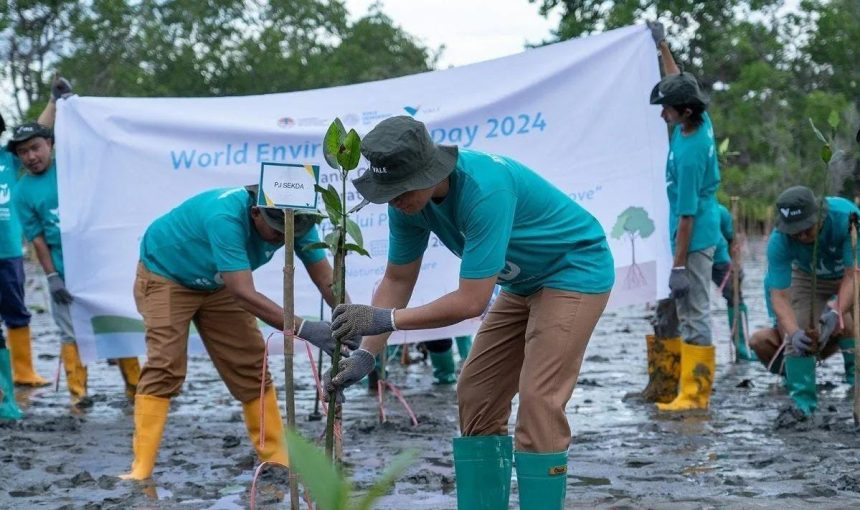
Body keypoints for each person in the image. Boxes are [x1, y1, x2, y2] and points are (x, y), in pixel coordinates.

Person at [323, 116, 615, 509]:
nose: (392, 200)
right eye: (385, 191)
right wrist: (365, 354)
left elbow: (471, 301)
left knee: (539, 400)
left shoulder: (484, 188)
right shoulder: (407, 205)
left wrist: (384, 319)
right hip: (523, 283)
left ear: (429, 172)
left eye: (398, 189)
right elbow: (396, 280)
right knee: (476, 391)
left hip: (574, 270)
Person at [121, 184, 348, 480]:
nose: (284, 238)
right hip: (167, 275)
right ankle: (140, 469)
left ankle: (277, 460)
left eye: (290, 232)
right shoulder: (224, 217)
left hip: (219, 283)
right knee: (166, 365)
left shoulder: (295, 218)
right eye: (277, 232)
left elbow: (325, 279)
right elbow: (242, 292)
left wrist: (349, 318)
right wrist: (304, 328)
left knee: (252, 366)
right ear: (256, 213)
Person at [10, 79, 143, 409]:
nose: (30, 156)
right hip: (63, 269)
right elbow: (38, 238)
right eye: (23, 152)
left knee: (114, 325)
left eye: (36, 148)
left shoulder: (72, 166)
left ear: (50, 145)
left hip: (99, 264)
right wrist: (52, 276)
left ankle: (136, 389)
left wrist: (64, 104)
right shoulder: (24, 191)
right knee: (70, 332)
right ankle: (78, 395)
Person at [647, 21, 721, 412]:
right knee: (668, 308)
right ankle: (664, 384)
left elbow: (688, 218)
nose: (663, 116)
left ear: (685, 112)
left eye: (667, 110)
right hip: (682, 230)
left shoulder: (692, 152)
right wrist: (663, 46)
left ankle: (695, 395)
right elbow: (677, 79)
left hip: (692, 237)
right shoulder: (695, 120)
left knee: (693, 310)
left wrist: (678, 265)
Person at [749, 186, 857, 420]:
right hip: (809, 277)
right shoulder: (779, 241)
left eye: (806, 230)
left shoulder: (845, 217)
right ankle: (803, 404)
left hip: (850, 273)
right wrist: (794, 332)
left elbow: (852, 276)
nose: (801, 236)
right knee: (796, 336)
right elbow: (779, 296)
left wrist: (837, 310)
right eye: (794, 232)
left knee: (849, 320)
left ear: (820, 215)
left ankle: (854, 379)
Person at [711, 203, 756, 361]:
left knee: (734, 296)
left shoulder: (720, 211)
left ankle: (741, 346)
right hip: (691, 262)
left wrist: (735, 264)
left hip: (719, 259)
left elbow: (730, 239)